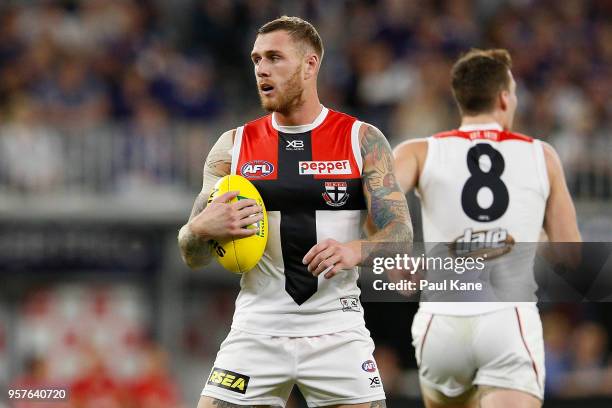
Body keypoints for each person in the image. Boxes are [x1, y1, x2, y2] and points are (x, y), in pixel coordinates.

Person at [178, 16, 412, 408]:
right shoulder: (232, 147)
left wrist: (356, 249)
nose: (261, 70)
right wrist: (200, 229)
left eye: (274, 58)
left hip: (337, 331)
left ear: (310, 64)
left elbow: (401, 234)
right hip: (257, 331)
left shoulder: (361, 139)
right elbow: (191, 254)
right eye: (256, 60)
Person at [393, 49, 581, 408]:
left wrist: (398, 253)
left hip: (441, 321)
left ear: (460, 98)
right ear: (504, 97)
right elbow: (570, 254)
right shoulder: (542, 155)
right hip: (507, 319)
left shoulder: (418, 151)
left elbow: (374, 200)